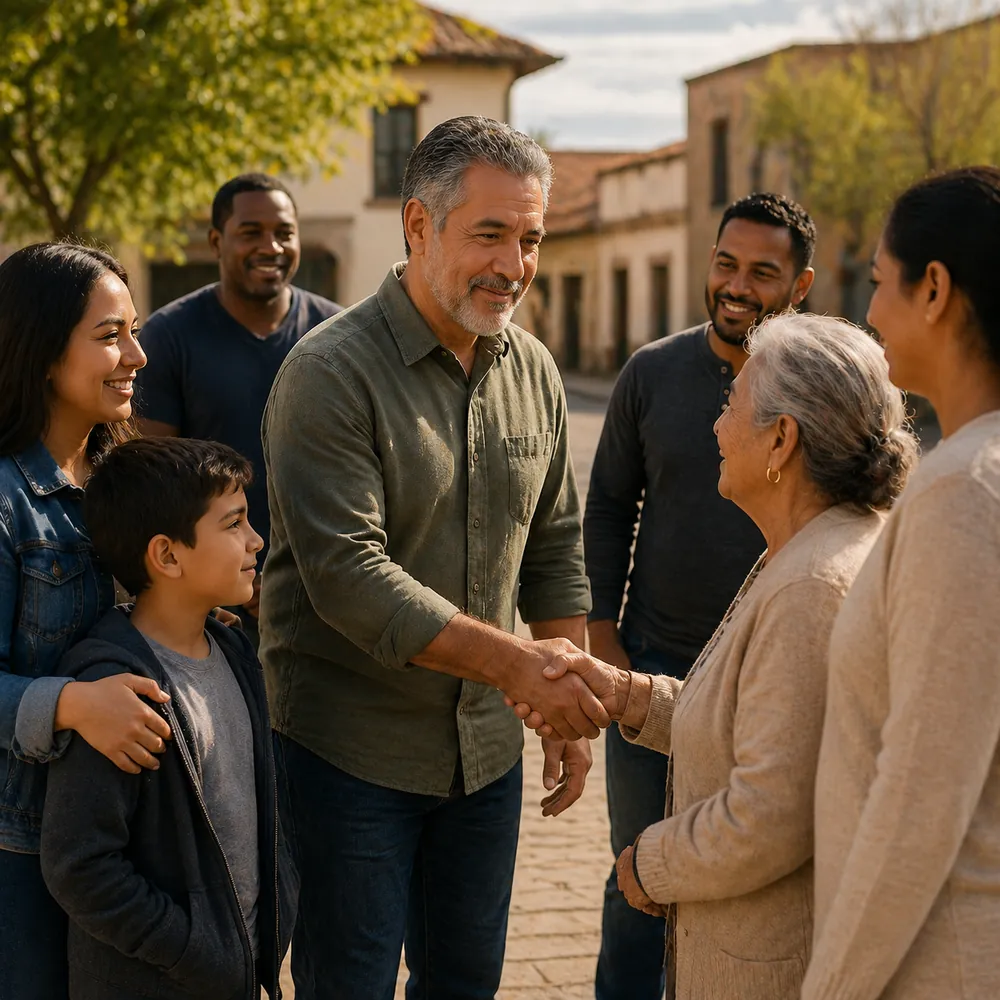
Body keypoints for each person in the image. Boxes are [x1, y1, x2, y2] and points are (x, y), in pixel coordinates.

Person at [261, 116, 611, 1000]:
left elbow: (554, 546)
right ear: (418, 226)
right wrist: (521, 667)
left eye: (531, 239)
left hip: (485, 755)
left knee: (465, 982)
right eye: (490, 234)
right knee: (350, 985)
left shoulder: (535, 369)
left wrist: (564, 702)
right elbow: (351, 578)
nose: (514, 265)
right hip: (347, 754)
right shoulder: (328, 374)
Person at [518, 313, 917, 999]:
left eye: (732, 406)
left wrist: (650, 863)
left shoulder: (813, 586)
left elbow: (768, 816)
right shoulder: (811, 548)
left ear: (781, 439)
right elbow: (753, 723)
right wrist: (625, 693)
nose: (716, 427)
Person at [584, 191, 817, 999]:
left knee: (746, 882)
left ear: (801, 284)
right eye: (725, 263)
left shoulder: (818, 388)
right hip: (652, 668)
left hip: (773, 680)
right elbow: (607, 507)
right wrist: (603, 639)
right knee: (636, 876)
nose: (737, 286)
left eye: (762, 272)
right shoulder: (650, 372)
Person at [802, 168, 1000, 1000]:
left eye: (880, 282)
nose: (871, 310)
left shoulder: (965, 489)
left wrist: (830, 986)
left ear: (935, 290)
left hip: (935, 959)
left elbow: (922, 793)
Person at [40, 437, 294, 1000]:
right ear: (168, 556)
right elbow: (80, 866)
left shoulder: (235, 651)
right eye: (234, 523)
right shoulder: (115, 688)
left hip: (235, 975)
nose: (256, 540)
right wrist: (193, 951)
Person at [0, 243, 175, 1000]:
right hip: (20, 852)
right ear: (42, 352)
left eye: (133, 331)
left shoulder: (119, 481)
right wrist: (72, 705)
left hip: (121, 840)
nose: (136, 355)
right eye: (110, 336)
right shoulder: (7, 503)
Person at [135, 173, 340, 643]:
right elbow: (151, 486)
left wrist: (308, 579)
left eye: (284, 232)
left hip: (326, 601)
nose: (271, 246)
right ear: (216, 241)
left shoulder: (336, 336)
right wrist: (228, 582)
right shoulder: (169, 337)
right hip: (211, 615)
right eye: (251, 232)